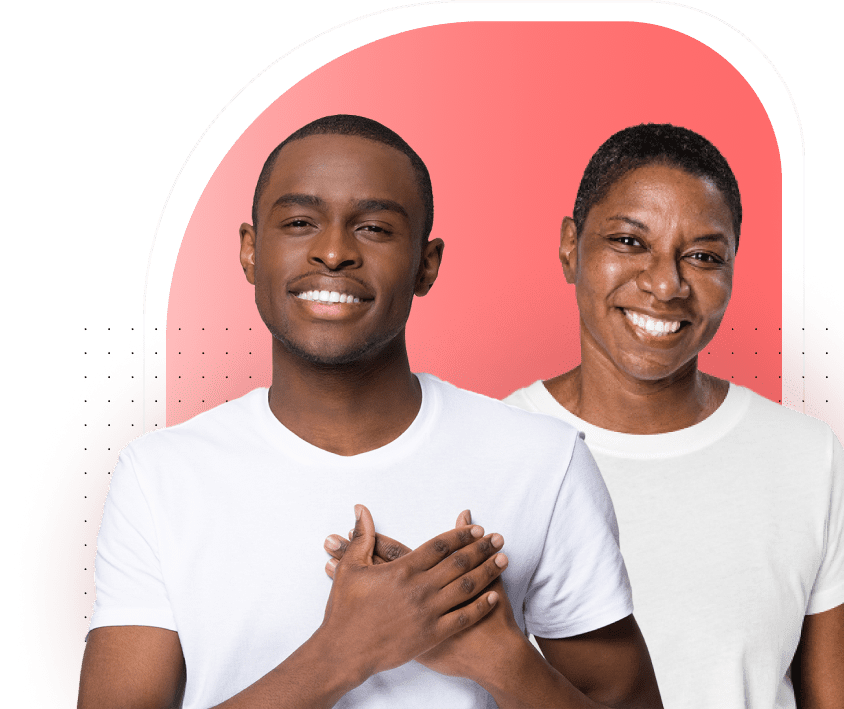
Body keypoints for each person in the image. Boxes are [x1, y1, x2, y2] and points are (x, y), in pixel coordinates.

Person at [78, 114, 662, 709]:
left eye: (376, 228)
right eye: (301, 223)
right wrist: (342, 653)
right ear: (250, 253)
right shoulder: (160, 475)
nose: (334, 252)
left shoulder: (542, 461)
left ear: (426, 265)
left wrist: (502, 659)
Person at [503, 124, 844, 709]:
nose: (666, 284)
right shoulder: (491, 447)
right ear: (569, 247)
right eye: (630, 242)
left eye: (703, 256)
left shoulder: (803, 456)